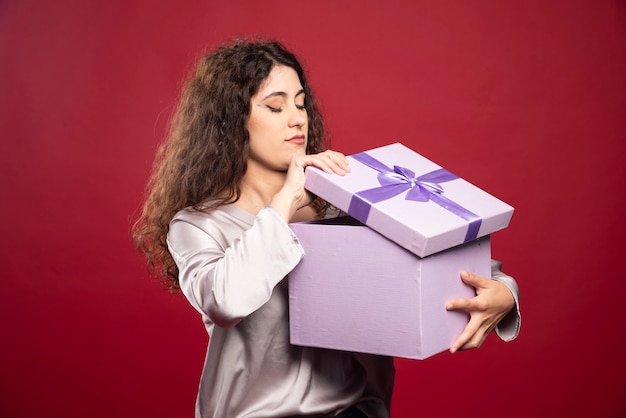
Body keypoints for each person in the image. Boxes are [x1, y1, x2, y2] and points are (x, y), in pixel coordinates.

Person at [132, 39, 520, 418]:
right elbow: (225, 302)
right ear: (232, 120)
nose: (297, 117)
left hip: (350, 409)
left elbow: (440, 255)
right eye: (275, 106)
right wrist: (284, 200)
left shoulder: (338, 205)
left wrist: (504, 293)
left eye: (300, 103)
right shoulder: (199, 225)